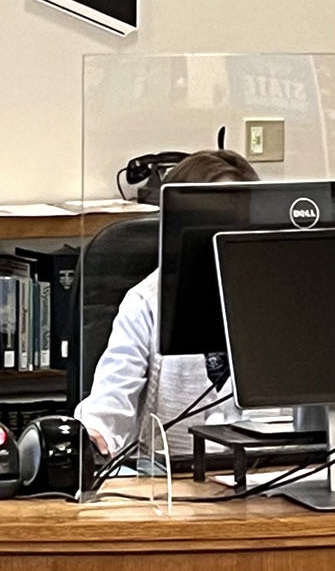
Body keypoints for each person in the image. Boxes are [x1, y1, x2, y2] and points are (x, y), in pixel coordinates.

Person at [74, 149, 259, 459]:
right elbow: (110, 402)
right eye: (210, 223)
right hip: (171, 484)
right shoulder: (146, 302)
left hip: (269, 478)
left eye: (236, 223)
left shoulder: (278, 297)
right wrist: (91, 437)